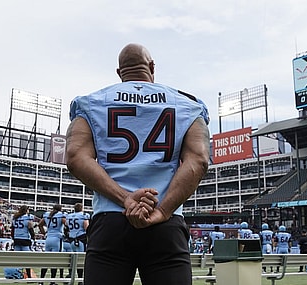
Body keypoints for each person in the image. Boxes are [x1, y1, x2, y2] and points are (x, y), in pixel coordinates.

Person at [65, 43, 210, 285]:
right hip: (166, 219)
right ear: (152, 67)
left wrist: (125, 198)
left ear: (119, 73)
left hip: (111, 219)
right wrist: (163, 210)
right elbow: (199, 159)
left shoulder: (92, 102)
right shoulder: (189, 105)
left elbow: (75, 157)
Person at [38, 204, 67, 285]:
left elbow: (40, 224)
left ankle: (41, 281)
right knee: (55, 261)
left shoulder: (47, 214)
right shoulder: (61, 215)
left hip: (48, 238)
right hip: (57, 238)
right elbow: (66, 224)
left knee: (46, 261)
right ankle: (52, 281)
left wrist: (44, 233)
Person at [66, 202, 90, 280]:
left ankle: (70, 276)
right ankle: (80, 279)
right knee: (80, 261)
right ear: (81, 208)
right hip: (80, 239)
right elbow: (86, 227)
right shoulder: (83, 215)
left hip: (71, 240)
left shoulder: (69, 216)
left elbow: (66, 227)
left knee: (72, 260)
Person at [11, 205, 35, 278]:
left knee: (17, 259)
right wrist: (33, 236)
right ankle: (29, 276)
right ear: (26, 210)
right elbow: (30, 228)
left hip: (16, 239)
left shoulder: (15, 218)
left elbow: (12, 229)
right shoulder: (28, 217)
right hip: (25, 239)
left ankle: (15, 274)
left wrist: (13, 238)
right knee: (27, 259)